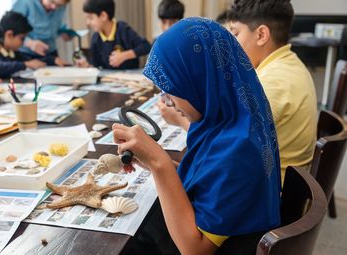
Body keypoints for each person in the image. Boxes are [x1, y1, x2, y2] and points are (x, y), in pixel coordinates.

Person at [113, 18, 281, 254]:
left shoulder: (240, 149)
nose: (167, 100)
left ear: (199, 81)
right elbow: (211, 177)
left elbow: (194, 249)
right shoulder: (229, 118)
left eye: (171, 89)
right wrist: (153, 163)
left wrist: (160, 163)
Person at [228, 0, 317, 180]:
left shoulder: (272, 83)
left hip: (271, 194)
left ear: (261, 34)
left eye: (235, 34)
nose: (230, 44)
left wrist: (181, 120)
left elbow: (226, 148)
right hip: (286, 181)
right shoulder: (289, 63)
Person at [79, 0, 151, 69]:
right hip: (109, 79)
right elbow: (96, 63)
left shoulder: (123, 30)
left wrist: (124, 55)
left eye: (91, 18)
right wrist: (87, 64)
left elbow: (146, 46)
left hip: (130, 76)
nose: (87, 23)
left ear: (103, 16)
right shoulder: (96, 38)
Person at [12, 0, 71, 66]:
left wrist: (64, 32)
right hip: (25, 53)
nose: (54, 7)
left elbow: (57, 24)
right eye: (52, 2)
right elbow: (12, 31)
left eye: (58, 5)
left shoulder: (62, 6)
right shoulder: (25, 3)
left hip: (50, 53)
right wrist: (30, 43)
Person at [0, 11, 46, 78]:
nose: (23, 42)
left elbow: (29, 59)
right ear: (10, 35)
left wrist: (52, 60)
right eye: (22, 38)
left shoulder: (12, 52)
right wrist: (25, 64)